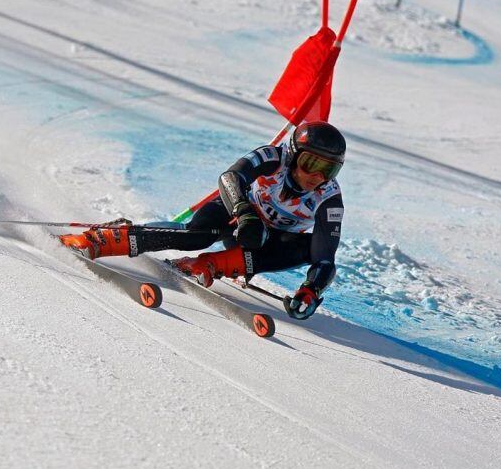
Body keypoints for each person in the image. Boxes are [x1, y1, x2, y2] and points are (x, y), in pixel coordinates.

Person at [59, 121, 346, 320]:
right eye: (311, 164)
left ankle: (212, 264)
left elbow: (324, 259)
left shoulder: (328, 198)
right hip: (237, 216)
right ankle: (105, 239)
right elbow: (230, 177)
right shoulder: (274, 157)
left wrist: (311, 291)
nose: (317, 176)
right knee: (197, 234)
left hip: (264, 243)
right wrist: (243, 211)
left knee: (309, 248)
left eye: (329, 169)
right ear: (295, 155)